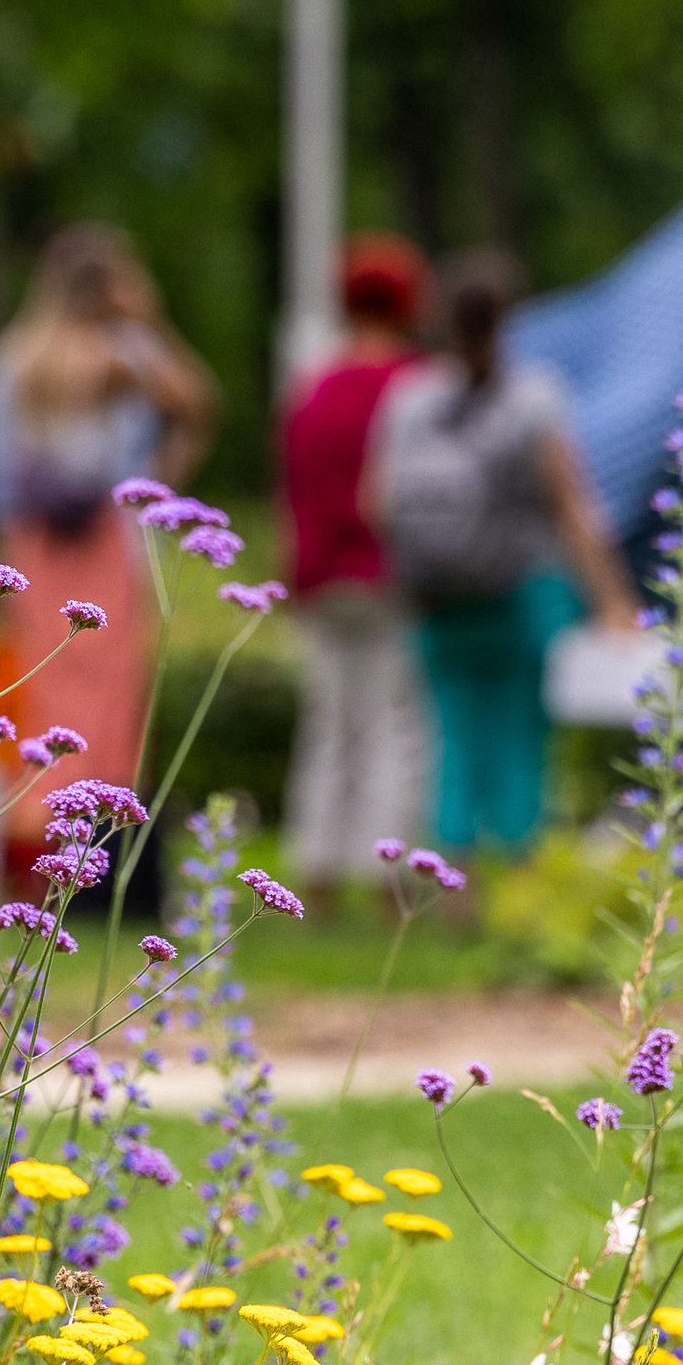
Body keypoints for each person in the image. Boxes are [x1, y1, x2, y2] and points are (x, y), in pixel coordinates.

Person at [367, 249, 638, 855]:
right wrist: (613, 599)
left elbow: (377, 505)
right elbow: (573, 511)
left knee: (454, 742)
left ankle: (450, 893)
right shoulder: (533, 398)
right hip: (522, 591)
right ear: (511, 318)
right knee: (520, 741)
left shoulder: (409, 397)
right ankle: (518, 883)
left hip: (437, 599)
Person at [0, 224, 219, 892]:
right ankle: (103, 862)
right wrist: (149, 322)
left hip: (35, 543)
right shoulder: (118, 355)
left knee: (50, 693)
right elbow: (198, 404)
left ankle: (49, 860)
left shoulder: (12, 358)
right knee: (113, 702)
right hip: (105, 538)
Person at [280, 236, 436, 890]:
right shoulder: (417, 386)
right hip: (390, 572)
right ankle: (382, 874)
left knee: (328, 726)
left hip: (322, 575)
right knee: (395, 726)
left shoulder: (314, 388)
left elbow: (289, 487)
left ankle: (315, 869)